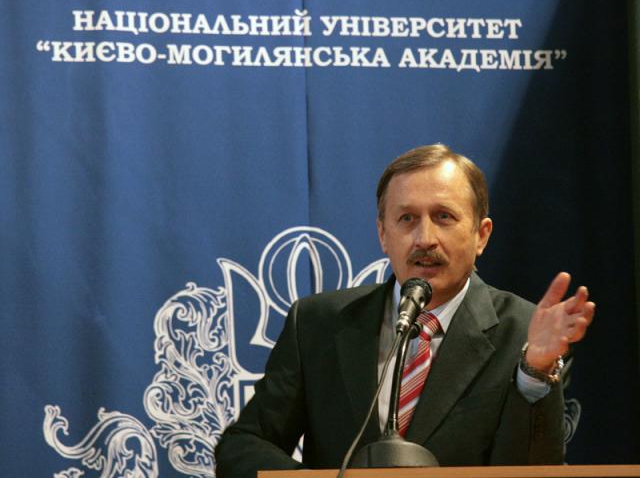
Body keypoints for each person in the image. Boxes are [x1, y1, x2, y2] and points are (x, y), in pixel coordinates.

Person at [214, 144, 595, 477]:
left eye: (443, 217)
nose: (425, 239)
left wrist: (535, 371)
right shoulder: (318, 324)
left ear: (481, 235)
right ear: (384, 234)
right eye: (407, 219)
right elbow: (243, 446)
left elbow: (531, 471)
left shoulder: (524, 333)